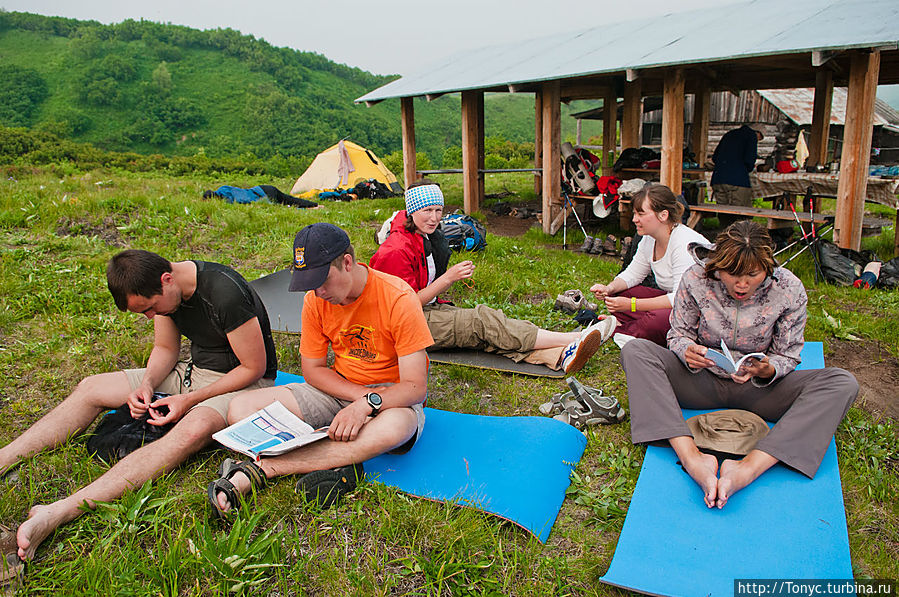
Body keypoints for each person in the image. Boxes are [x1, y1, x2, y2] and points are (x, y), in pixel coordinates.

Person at [3, 250, 277, 561]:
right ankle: (4, 458)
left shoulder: (224, 292)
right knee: (92, 387)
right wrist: (146, 385)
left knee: (191, 432)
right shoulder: (167, 294)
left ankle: (57, 512)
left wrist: (187, 400)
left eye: (149, 309)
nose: (149, 316)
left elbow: (254, 367)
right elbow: (164, 348)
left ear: (166, 280)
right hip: (194, 372)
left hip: (244, 383)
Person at [620, 221, 858, 509]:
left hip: (761, 391)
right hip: (700, 380)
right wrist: (686, 351)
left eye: (752, 275)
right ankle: (692, 458)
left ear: (767, 268)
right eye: (732, 274)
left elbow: (789, 354)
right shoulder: (696, 278)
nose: (741, 284)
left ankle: (748, 468)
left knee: (841, 383)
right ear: (717, 266)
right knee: (636, 351)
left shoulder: (789, 288)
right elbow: (678, 334)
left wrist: (768, 369)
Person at [208, 223, 431, 515]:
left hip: (390, 399)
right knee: (240, 408)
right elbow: (312, 369)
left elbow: (416, 387)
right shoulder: (314, 300)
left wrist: (368, 404)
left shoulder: (399, 298)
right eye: (310, 283)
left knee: (395, 429)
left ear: (347, 263)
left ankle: (266, 468)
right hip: (340, 389)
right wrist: (356, 398)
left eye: (322, 280)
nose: (318, 291)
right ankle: (341, 460)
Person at [369, 183, 615, 375]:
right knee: (482, 321)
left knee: (485, 334)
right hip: (404, 327)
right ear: (412, 211)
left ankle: (560, 355)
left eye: (438, 210)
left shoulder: (420, 235)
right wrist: (448, 279)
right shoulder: (395, 250)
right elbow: (404, 306)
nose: (434, 218)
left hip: (423, 314)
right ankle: (573, 338)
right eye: (427, 211)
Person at [589, 184, 710, 346]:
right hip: (676, 304)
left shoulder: (684, 244)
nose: (634, 219)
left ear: (663, 215)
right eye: (634, 214)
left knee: (657, 320)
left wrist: (632, 305)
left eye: (641, 214)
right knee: (621, 294)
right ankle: (629, 326)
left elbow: (680, 299)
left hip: (701, 313)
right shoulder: (649, 239)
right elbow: (633, 274)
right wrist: (609, 289)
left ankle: (617, 330)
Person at [710, 124, 764, 228]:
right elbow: (749, 160)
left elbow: (715, 158)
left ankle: (725, 239)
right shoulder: (751, 135)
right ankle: (738, 241)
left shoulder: (729, 134)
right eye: (759, 139)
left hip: (718, 179)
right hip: (737, 181)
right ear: (758, 133)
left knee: (724, 214)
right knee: (740, 214)